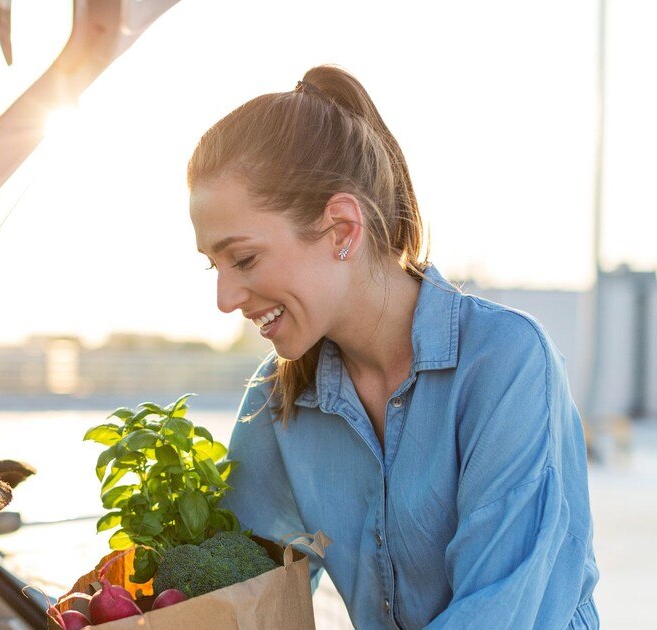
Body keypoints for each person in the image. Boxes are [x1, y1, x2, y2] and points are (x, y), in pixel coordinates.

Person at [190, 65, 598, 628]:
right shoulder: (277, 398)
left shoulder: (506, 362)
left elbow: (496, 610)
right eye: (213, 265)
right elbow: (241, 590)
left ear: (341, 229)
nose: (225, 297)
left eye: (244, 259)